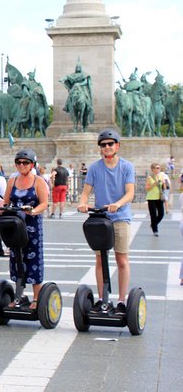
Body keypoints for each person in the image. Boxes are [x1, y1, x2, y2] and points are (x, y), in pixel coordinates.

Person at [78, 129, 135, 315]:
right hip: (101, 218)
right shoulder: (95, 168)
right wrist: (83, 203)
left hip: (120, 217)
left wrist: (117, 204)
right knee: (100, 260)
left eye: (111, 144)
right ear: (100, 149)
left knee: (121, 259)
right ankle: (103, 299)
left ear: (117, 146)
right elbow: (86, 192)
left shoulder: (126, 166)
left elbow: (130, 193)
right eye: (103, 145)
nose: (107, 147)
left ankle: (121, 300)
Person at [0, 148, 49, 310]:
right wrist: (0, 208)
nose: (22, 165)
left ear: (32, 164)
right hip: (14, 224)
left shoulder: (38, 181)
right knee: (16, 257)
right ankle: (18, 296)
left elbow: (44, 203)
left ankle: (37, 297)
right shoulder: (12, 181)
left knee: (34, 260)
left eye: (26, 163)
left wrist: (33, 211)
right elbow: (6, 202)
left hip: (32, 225)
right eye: (18, 163)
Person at [145, 162, 166, 235]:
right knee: (153, 214)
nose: (157, 169)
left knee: (161, 214)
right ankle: (155, 230)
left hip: (159, 197)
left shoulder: (161, 176)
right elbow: (147, 188)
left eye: (159, 168)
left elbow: (164, 188)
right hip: (151, 198)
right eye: (156, 168)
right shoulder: (149, 177)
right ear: (152, 169)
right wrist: (153, 184)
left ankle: (153, 224)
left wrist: (164, 183)